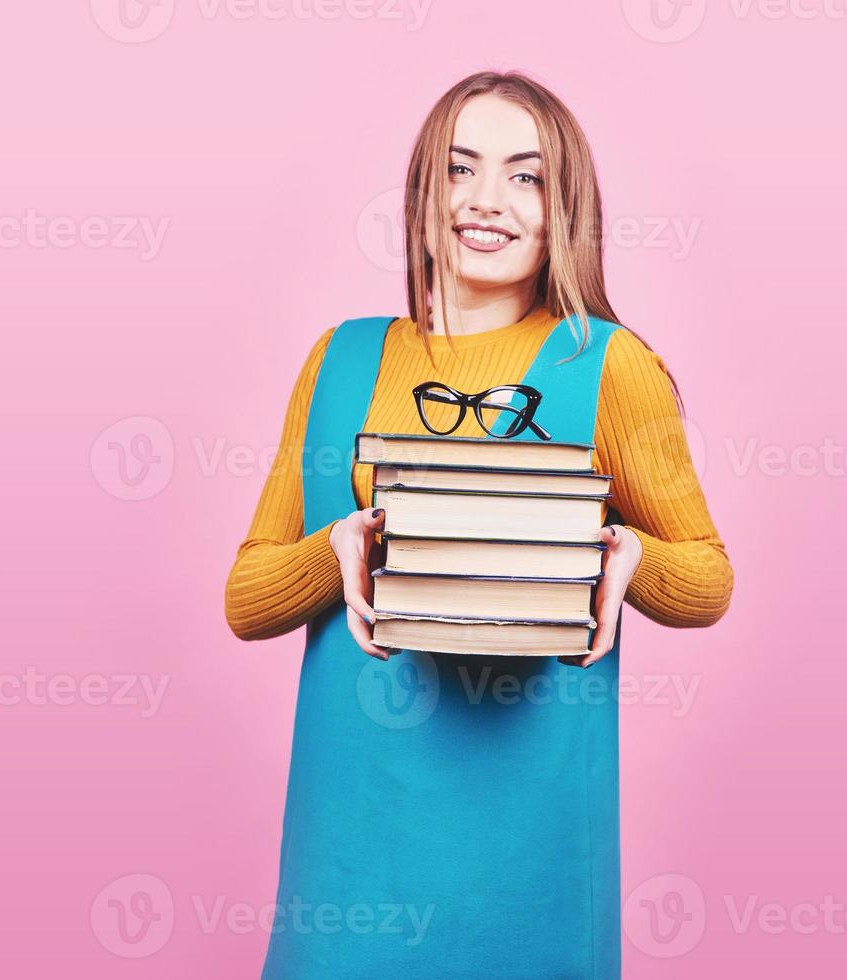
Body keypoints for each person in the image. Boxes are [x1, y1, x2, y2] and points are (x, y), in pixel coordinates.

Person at [225, 70, 733, 980]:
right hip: (352, 848)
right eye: (460, 169)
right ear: (424, 191)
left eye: (525, 176)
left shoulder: (607, 367)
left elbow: (706, 579)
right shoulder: (341, 359)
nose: (486, 200)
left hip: (527, 848)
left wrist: (624, 556)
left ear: (562, 208)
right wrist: (337, 549)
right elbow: (245, 596)